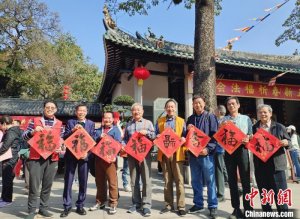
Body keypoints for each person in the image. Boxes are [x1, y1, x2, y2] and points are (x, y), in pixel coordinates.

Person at [23, 100, 64, 218]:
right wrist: (33, 131)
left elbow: (61, 141)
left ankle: (43, 208)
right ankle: (31, 211)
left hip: (52, 158)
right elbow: (24, 136)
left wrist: (60, 148)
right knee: (34, 186)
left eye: (52, 107)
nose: (50, 109)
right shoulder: (34, 121)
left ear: (56, 109)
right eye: (47, 107)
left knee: (47, 185)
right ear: (43, 108)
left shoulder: (60, 124)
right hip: (36, 157)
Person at [253, 104, 291, 213]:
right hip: (261, 166)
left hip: (276, 166)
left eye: (265, 112)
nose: (263, 114)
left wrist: (286, 142)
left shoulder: (279, 127)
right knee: (265, 196)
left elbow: (289, 142)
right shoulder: (254, 128)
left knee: (280, 195)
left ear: (270, 113)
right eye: (260, 112)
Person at [60, 104, 95, 217]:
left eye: (83, 110)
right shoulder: (70, 122)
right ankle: (67, 206)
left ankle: (80, 205)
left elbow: (92, 140)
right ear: (76, 112)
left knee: (83, 181)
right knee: (68, 181)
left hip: (84, 156)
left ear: (86, 112)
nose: (81, 112)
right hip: (71, 155)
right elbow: (64, 137)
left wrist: (87, 153)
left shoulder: (90, 123)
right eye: (79, 110)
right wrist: (73, 131)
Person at [186, 95, 218, 218]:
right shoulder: (190, 118)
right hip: (194, 155)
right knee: (195, 180)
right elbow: (186, 136)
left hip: (206, 154)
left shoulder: (210, 117)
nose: (197, 105)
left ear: (204, 103)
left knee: (210, 180)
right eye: (195, 103)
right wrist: (187, 130)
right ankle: (198, 204)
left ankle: (213, 205)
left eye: (199, 103)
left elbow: (215, 136)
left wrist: (208, 149)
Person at [123, 103, 155, 217]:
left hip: (145, 155)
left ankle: (146, 205)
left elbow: (154, 136)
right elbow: (125, 139)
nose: (136, 112)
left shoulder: (148, 123)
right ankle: (136, 203)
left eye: (138, 110)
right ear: (132, 112)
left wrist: (147, 133)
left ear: (142, 111)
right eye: (134, 110)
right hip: (132, 156)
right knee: (133, 179)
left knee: (146, 179)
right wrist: (123, 145)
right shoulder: (128, 124)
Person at [155, 99, 187, 216]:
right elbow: (155, 135)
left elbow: (185, 135)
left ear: (175, 108)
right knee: (167, 180)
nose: (170, 109)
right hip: (164, 154)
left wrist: (184, 138)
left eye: (172, 107)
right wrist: (157, 135)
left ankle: (181, 206)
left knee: (179, 180)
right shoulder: (160, 121)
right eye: (168, 107)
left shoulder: (181, 121)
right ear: (165, 109)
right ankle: (168, 205)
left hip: (177, 153)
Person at [223, 96, 253, 219]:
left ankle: (248, 208)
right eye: (229, 104)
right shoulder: (224, 119)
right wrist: (222, 126)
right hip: (229, 151)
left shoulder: (246, 119)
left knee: (246, 180)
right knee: (232, 180)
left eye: (233, 104)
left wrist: (248, 137)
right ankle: (236, 208)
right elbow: (219, 135)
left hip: (242, 150)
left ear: (238, 105)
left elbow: (252, 134)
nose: (231, 106)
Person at [89, 111, 122, 214]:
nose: (107, 120)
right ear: (103, 119)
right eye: (105, 118)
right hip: (98, 159)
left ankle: (113, 203)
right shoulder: (98, 130)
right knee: (99, 181)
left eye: (109, 118)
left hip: (110, 160)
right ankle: (100, 201)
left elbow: (118, 144)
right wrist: (99, 137)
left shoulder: (116, 130)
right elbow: (93, 141)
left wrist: (114, 156)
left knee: (112, 182)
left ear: (113, 120)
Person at [0, 115, 22, 207]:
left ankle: (7, 199)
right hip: (9, 157)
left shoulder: (11, 132)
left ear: (4, 123)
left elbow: (6, 146)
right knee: (6, 179)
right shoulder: (12, 131)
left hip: (9, 158)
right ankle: (3, 197)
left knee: (7, 179)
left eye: (1, 124)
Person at [214, 105, 227, 202]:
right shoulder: (223, 120)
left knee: (219, 170)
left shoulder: (222, 121)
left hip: (220, 149)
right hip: (220, 149)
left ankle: (221, 194)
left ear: (219, 111)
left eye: (215, 110)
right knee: (223, 169)